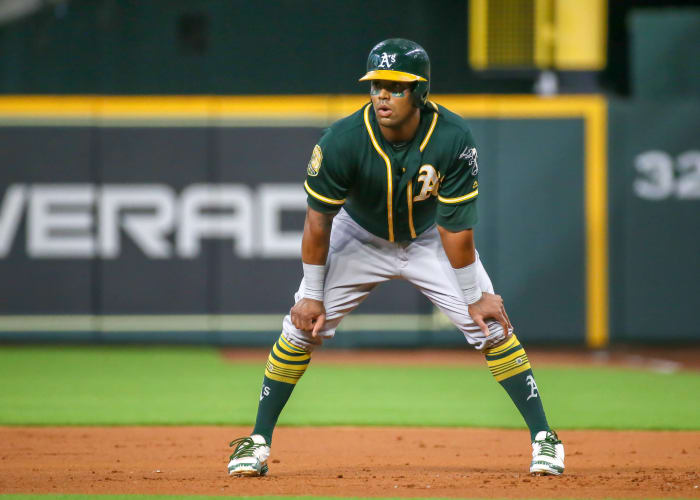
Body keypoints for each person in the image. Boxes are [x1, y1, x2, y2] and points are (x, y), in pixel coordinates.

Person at [227, 38, 565, 477]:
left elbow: (455, 228)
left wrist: (474, 295)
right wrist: (311, 294)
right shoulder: (343, 141)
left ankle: (544, 437)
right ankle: (257, 441)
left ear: (420, 91)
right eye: (375, 85)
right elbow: (317, 223)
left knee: (491, 326)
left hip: (429, 239)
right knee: (300, 329)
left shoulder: (453, 135)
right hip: (359, 237)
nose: (382, 95)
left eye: (395, 86)